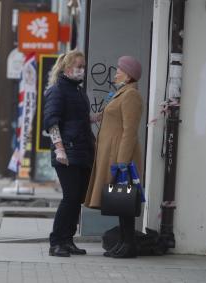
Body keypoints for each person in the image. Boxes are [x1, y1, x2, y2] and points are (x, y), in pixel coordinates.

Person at [84, 56, 143, 258]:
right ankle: (124, 242)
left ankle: (129, 244)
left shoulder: (131, 96)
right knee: (120, 200)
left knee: (125, 200)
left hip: (121, 157)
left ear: (128, 75)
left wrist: (122, 162)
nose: (116, 72)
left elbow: (130, 131)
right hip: (113, 154)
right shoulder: (121, 93)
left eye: (119, 70)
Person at [43, 50, 95, 257]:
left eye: (83, 66)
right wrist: (59, 149)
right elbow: (52, 121)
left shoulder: (77, 91)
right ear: (66, 68)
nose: (82, 70)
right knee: (70, 197)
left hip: (82, 151)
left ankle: (68, 240)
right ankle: (56, 242)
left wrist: (94, 118)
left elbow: (75, 118)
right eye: (78, 66)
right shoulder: (58, 90)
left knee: (77, 198)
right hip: (68, 152)